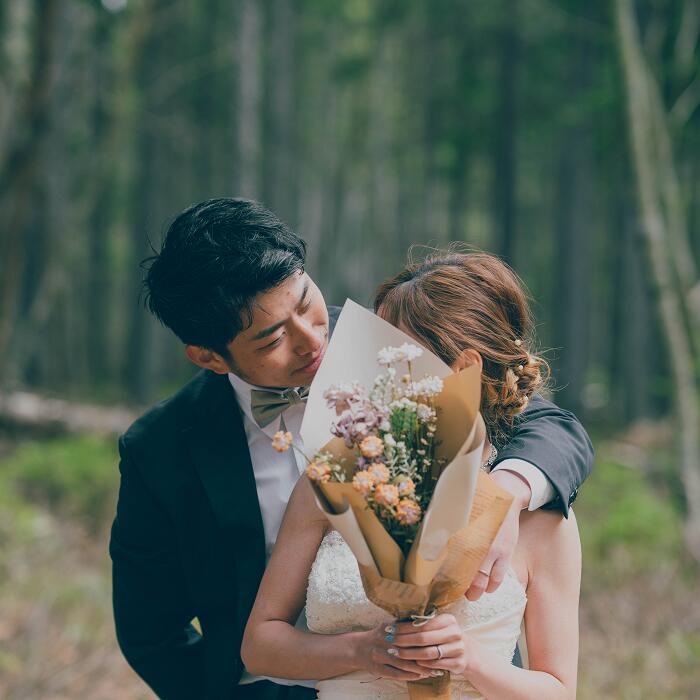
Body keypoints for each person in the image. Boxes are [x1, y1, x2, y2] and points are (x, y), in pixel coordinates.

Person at [110, 199, 592, 699]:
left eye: (304, 302)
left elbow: (540, 420)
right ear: (208, 356)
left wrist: (508, 495)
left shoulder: (393, 342)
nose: (310, 339)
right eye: (273, 337)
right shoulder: (160, 450)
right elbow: (151, 632)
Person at [241, 250, 582, 699]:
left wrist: (468, 659)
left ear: (463, 368)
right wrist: (364, 651)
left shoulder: (538, 508)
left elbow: (558, 689)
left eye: (395, 357)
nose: (374, 373)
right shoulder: (337, 475)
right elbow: (260, 646)